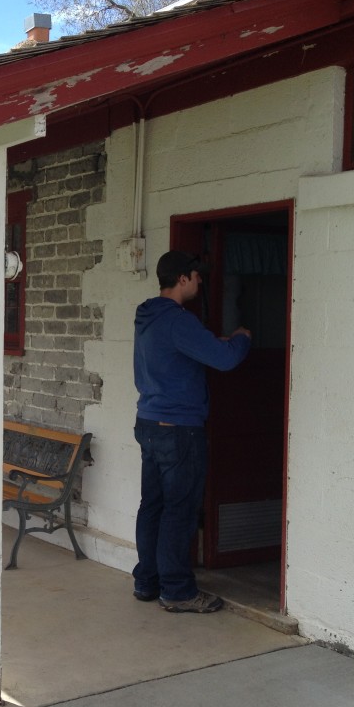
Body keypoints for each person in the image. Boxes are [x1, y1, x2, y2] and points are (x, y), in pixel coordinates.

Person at [132, 250, 251, 613]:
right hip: (179, 430)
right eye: (197, 278)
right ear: (182, 279)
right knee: (179, 511)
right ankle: (178, 591)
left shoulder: (147, 316)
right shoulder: (178, 322)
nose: (200, 283)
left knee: (152, 506)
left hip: (150, 423)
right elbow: (225, 358)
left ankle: (147, 582)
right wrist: (241, 337)